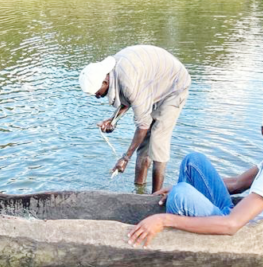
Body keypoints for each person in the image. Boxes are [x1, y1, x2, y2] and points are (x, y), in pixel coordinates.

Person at [128, 101, 263, 247]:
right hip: (232, 214)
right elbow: (237, 184)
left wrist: (164, 220)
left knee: (180, 194)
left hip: (242, 233)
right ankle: (180, 214)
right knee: (193, 162)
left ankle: (175, 232)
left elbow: (231, 225)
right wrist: (187, 187)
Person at [79, 45, 191, 193]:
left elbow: (143, 125)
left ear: (105, 82)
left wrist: (125, 158)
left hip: (173, 85)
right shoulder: (114, 72)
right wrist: (113, 120)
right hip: (153, 83)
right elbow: (130, 99)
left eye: (96, 93)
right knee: (143, 146)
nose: (97, 96)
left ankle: (155, 197)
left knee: (158, 141)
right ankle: (139, 192)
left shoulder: (128, 81)